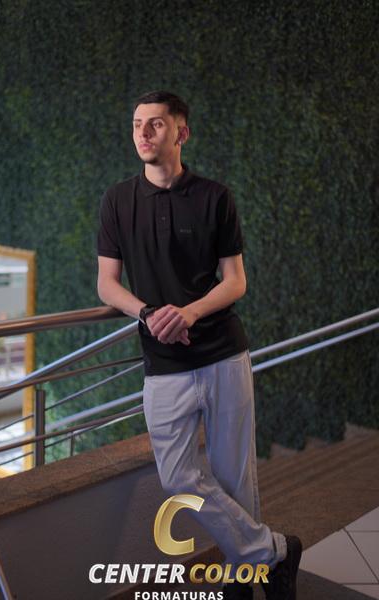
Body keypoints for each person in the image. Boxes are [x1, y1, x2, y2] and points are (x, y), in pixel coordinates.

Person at [97, 90, 302, 600]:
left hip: (222, 355)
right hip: (163, 362)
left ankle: (244, 578)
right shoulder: (117, 200)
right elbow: (107, 285)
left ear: (181, 133)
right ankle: (273, 551)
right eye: (137, 124)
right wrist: (148, 314)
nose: (143, 133)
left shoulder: (215, 197)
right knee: (178, 478)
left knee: (235, 477)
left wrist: (188, 312)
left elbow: (235, 281)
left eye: (155, 124)